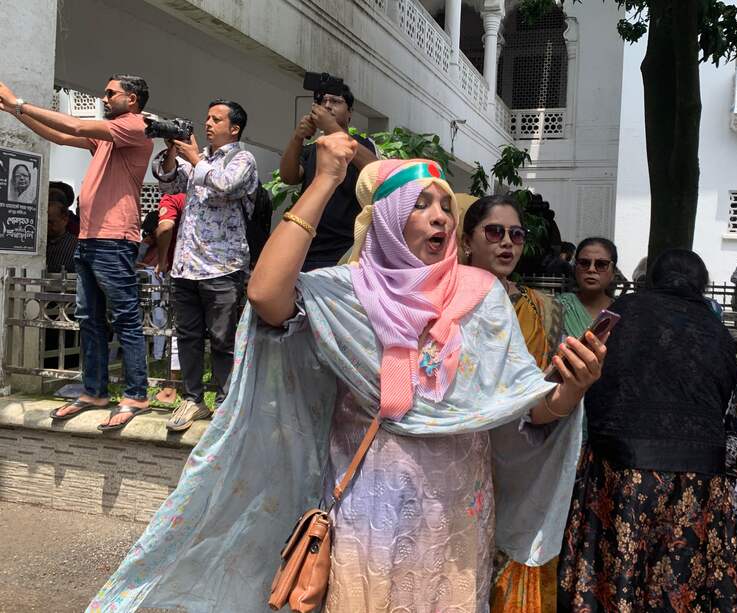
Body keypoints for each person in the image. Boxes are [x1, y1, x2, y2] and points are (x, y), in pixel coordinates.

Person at [88, 136, 607, 612]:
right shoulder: (347, 292)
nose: (441, 217)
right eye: (421, 204)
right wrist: (323, 180)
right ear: (386, 219)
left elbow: (519, 409)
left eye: (446, 206)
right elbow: (267, 296)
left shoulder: (482, 298)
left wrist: (568, 392)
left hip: (456, 521)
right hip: (368, 510)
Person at [558, 249, 737, 612]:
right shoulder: (717, 330)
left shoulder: (625, 311)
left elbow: (592, 381)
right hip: (700, 478)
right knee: (681, 580)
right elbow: (728, 409)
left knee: (620, 575)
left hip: (624, 468)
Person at [0, 75, 154, 429]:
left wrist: (19, 102)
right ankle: (95, 391)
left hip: (114, 240)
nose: (104, 96)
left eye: (110, 93)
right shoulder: (106, 137)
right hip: (90, 239)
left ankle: (136, 395)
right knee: (88, 318)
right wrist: (15, 111)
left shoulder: (134, 126)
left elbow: (70, 121)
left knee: (126, 319)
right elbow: (60, 135)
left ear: (132, 100)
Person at [460, 194, 576, 613]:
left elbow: (541, 384)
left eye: (516, 234)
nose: (507, 243)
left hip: (521, 455)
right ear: (467, 240)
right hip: (456, 452)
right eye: (494, 232)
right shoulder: (445, 302)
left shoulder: (543, 307)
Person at [152, 99, 258, 432]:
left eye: (216, 119)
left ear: (234, 128)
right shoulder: (199, 159)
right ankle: (194, 398)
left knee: (223, 337)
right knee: (188, 336)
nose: (208, 124)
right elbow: (169, 185)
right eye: (207, 118)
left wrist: (194, 157)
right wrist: (172, 151)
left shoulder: (242, 159)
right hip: (185, 265)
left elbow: (225, 184)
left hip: (223, 265)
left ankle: (225, 402)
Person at [279, 78, 377, 271]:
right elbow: (289, 177)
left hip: (346, 251)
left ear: (349, 113)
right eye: (323, 101)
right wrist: (298, 137)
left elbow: (375, 169)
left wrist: (332, 128)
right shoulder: (312, 149)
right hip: (306, 246)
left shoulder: (362, 144)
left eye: (336, 101)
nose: (327, 105)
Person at [151, 192, 185, 404]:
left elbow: (165, 227)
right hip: (217, 269)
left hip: (180, 268)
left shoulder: (173, 198)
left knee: (177, 327)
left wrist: (162, 260)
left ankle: (171, 386)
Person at [557, 238, 618, 337]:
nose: (591, 269)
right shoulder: (557, 306)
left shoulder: (622, 310)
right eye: (584, 263)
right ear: (575, 268)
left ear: (613, 272)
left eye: (601, 264)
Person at [46, 196, 77, 273]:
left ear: (65, 219)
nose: (46, 226)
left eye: (50, 222)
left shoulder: (75, 247)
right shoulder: (40, 243)